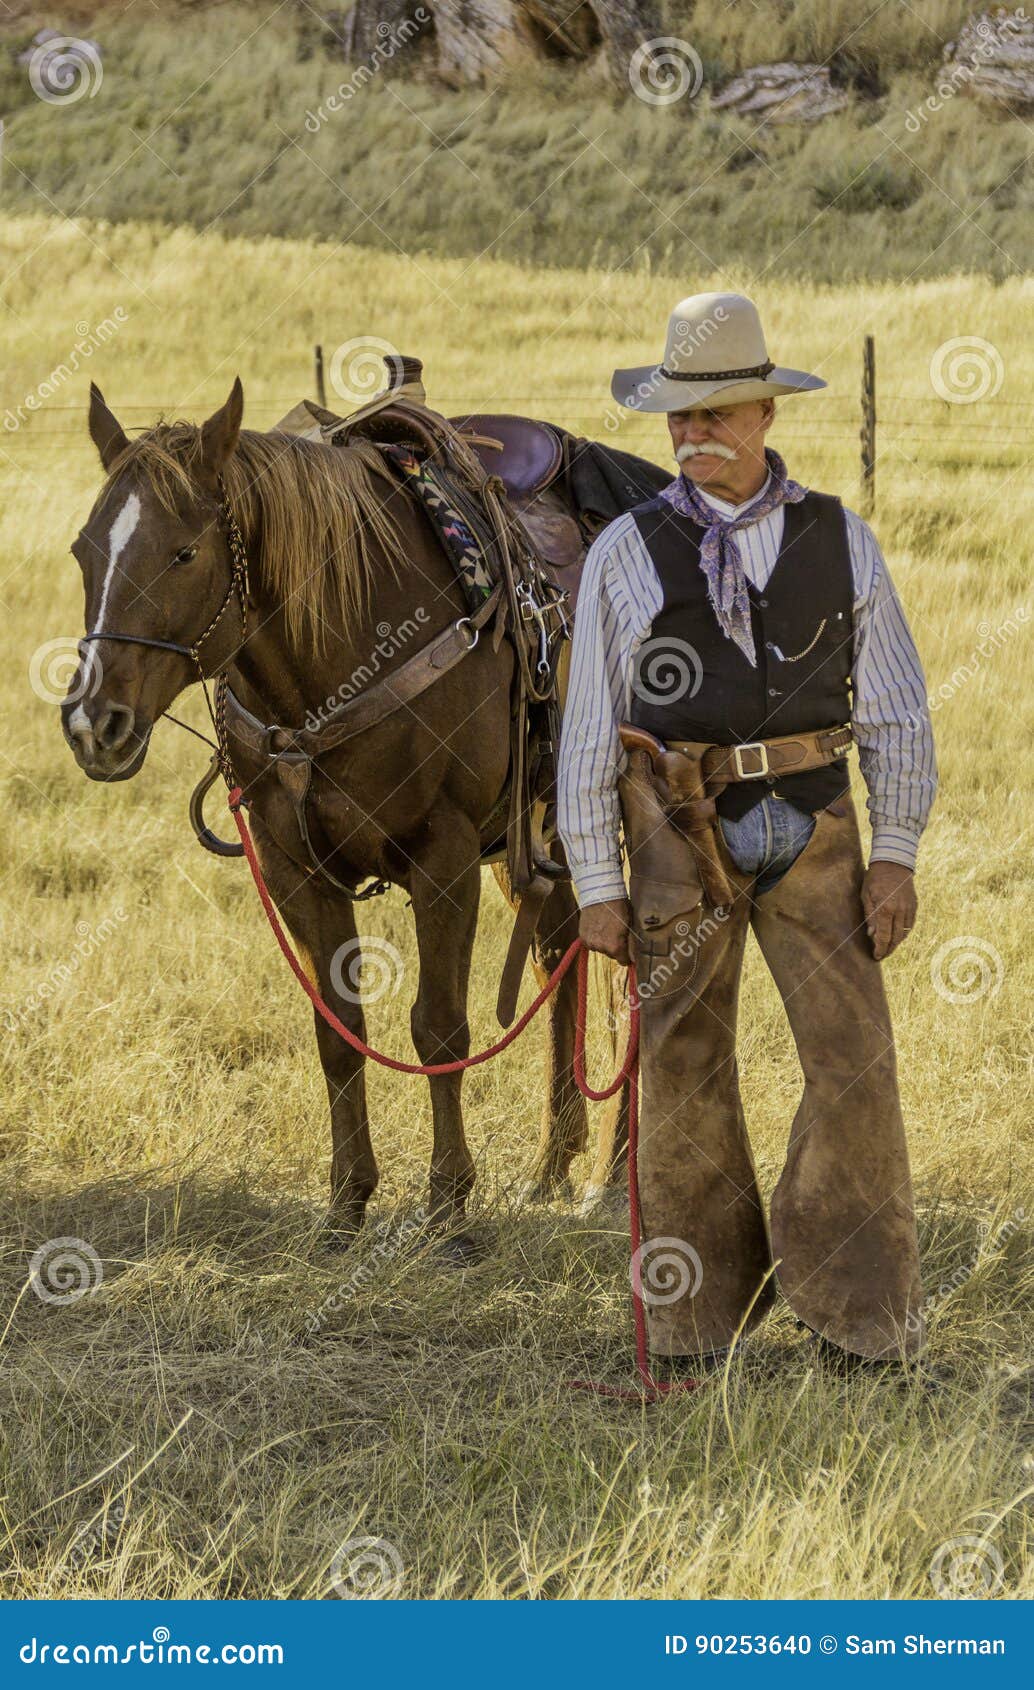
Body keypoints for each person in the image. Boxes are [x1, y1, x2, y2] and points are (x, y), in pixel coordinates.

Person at [557, 291, 937, 1366]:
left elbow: (896, 707)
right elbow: (588, 729)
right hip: (675, 827)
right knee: (679, 1060)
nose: (691, 438)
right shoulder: (627, 550)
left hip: (816, 823)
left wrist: (896, 851)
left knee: (852, 1057)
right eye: (678, 419)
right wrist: (595, 880)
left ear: (764, 417)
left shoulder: (838, 538)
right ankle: (688, 1324)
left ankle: (858, 1321)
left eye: (714, 416)